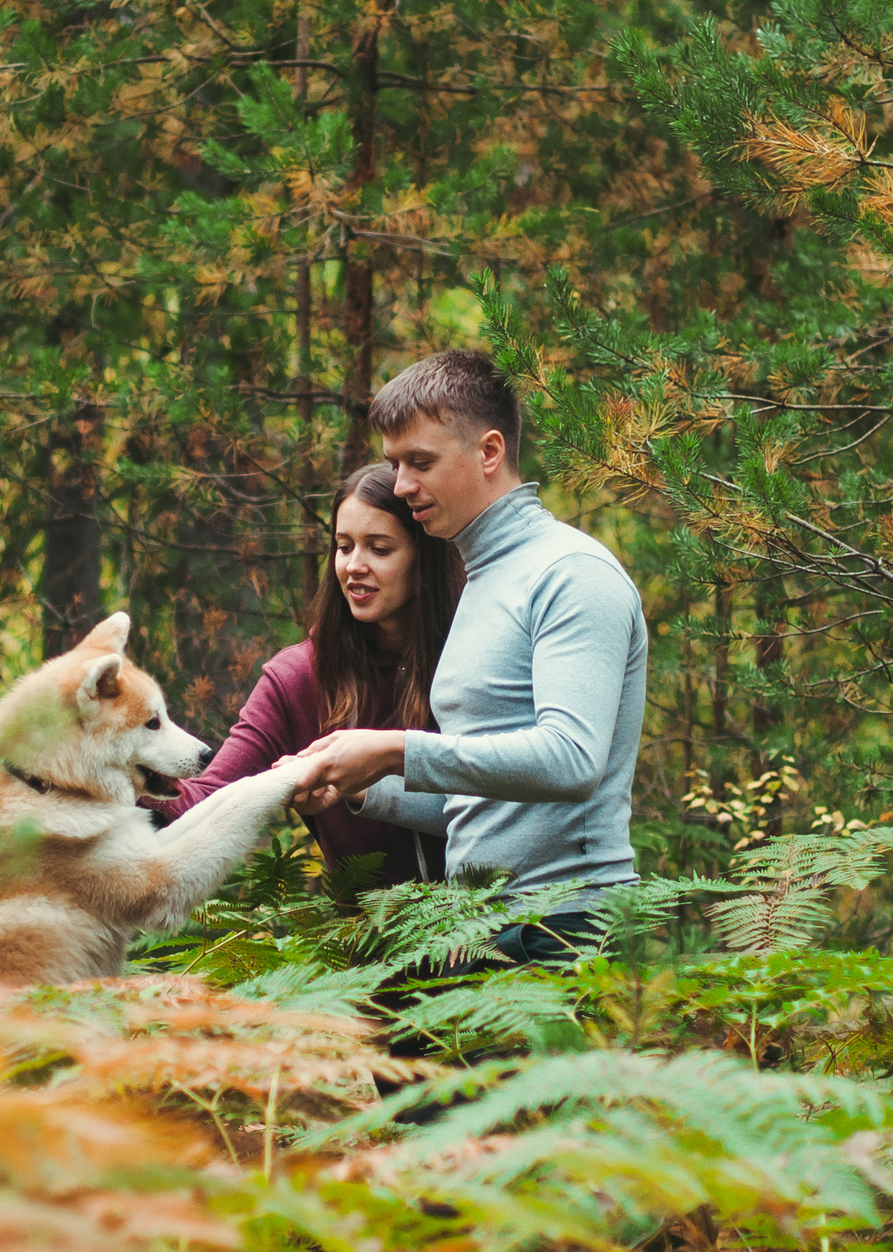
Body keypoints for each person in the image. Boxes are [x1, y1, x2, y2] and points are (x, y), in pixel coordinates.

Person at [285, 350, 649, 964]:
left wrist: (393, 748)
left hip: (564, 924)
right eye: (396, 463)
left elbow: (571, 759)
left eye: (419, 462)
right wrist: (366, 789)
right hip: (487, 926)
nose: (401, 486)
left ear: (489, 452)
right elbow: (485, 809)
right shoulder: (482, 578)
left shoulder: (569, 573)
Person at [156, 461, 462, 885]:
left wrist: (365, 783)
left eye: (379, 548)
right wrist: (117, 778)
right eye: (344, 546)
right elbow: (208, 799)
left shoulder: (473, 657)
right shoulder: (299, 678)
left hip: (508, 931)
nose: (354, 565)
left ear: (423, 558)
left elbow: (507, 805)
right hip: (370, 945)